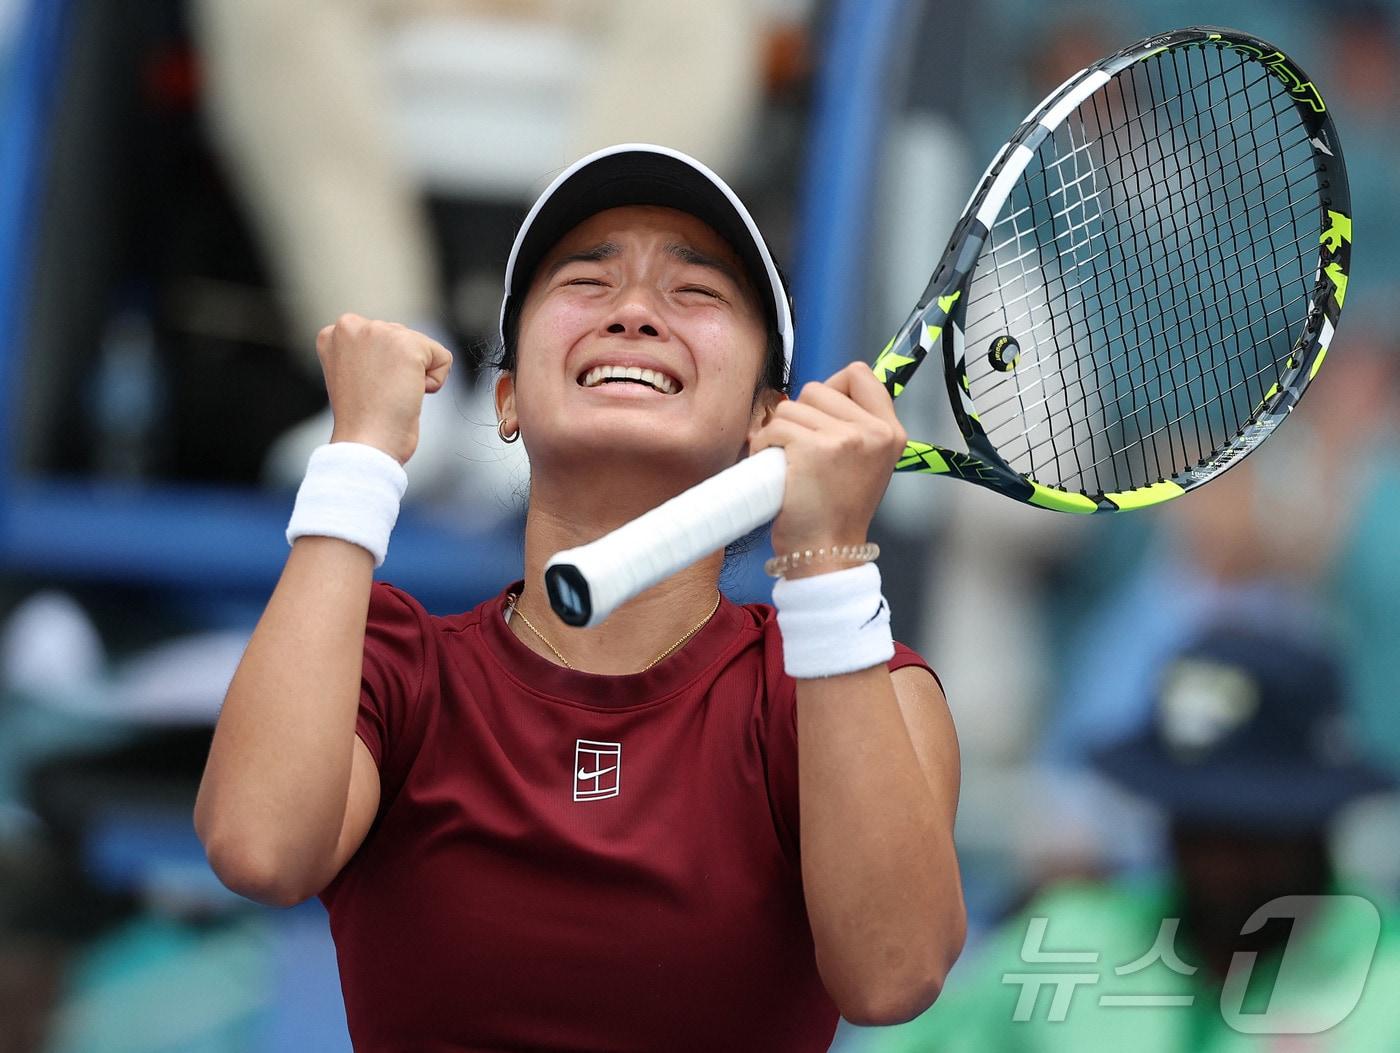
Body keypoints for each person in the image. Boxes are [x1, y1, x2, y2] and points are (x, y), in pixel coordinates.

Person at [193, 143, 966, 1050]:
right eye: (588, 283)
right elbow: (258, 847)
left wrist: (827, 561)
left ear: (767, 419)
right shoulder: (395, 663)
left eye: (696, 293)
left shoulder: (845, 688)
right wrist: (359, 455)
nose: (635, 311)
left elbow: (893, 972)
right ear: (509, 398)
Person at [855, 624, 1400, 1053]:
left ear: (1315, 820)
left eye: (1248, 832)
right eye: (1194, 824)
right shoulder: (1067, 940)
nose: (1218, 863)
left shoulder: (1386, 980)